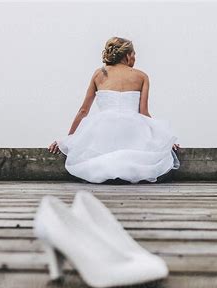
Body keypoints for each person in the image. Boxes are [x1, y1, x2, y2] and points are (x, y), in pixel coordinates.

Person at [47, 37, 180, 184]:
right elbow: (144, 113)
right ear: (127, 55)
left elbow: (83, 111)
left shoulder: (99, 74)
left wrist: (68, 140)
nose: (135, 58)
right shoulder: (141, 76)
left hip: (103, 129)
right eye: (134, 54)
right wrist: (163, 139)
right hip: (133, 130)